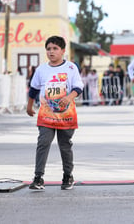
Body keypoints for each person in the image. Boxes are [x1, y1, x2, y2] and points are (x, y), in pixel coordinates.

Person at [26, 36, 83, 191]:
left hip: (66, 115)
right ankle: (38, 178)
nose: (51, 52)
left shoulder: (71, 68)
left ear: (63, 51)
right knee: (43, 143)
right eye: (49, 48)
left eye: (55, 48)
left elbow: (78, 87)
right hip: (46, 114)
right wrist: (29, 106)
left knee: (65, 146)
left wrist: (68, 97)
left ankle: (67, 176)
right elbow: (34, 89)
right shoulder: (41, 70)